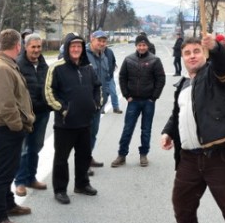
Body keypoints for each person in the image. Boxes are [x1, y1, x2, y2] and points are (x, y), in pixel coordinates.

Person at [160, 34, 225, 223]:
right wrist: (168, 132)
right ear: (182, 57)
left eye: (196, 51)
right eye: (187, 53)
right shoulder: (183, 84)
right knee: (182, 206)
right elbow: (179, 114)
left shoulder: (213, 74)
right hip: (189, 160)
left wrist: (216, 48)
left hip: (219, 157)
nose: (192, 56)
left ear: (204, 54)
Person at [0, 29, 35, 223]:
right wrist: (18, 126)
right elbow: (6, 105)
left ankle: (8, 205)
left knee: (8, 170)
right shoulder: (2, 68)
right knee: (3, 174)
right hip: (5, 129)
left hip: (8, 128)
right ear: (18, 46)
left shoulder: (6, 64)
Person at [45, 33, 100, 204]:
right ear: (67, 48)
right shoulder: (57, 68)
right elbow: (49, 92)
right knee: (61, 159)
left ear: (83, 48)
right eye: (73, 46)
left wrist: (96, 104)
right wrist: (63, 109)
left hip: (85, 122)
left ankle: (82, 184)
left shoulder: (88, 67)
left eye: (79, 46)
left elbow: (97, 87)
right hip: (65, 124)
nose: (76, 49)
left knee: (84, 156)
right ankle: (60, 190)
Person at [112, 34, 166, 168]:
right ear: (136, 46)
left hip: (148, 101)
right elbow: (122, 77)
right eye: (139, 45)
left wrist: (154, 97)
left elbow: (161, 79)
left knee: (146, 129)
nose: (142, 47)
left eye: (144, 45)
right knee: (127, 129)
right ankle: (122, 155)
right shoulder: (128, 59)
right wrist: (126, 95)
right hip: (133, 101)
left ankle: (143, 154)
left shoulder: (155, 60)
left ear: (147, 46)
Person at [14, 33, 51, 197]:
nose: (36, 50)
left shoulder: (44, 65)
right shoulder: (18, 64)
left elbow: (50, 86)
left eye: (39, 47)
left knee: (36, 147)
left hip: (42, 113)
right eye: (33, 47)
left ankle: (31, 178)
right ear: (25, 47)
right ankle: (20, 182)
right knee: (22, 149)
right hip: (24, 115)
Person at [85, 29, 116, 169]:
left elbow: (107, 77)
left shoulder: (104, 56)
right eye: (99, 40)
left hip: (99, 103)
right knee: (84, 135)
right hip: (85, 103)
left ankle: (88, 157)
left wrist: (107, 94)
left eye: (104, 41)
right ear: (92, 39)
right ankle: (83, 163)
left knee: (93, 133)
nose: (102, 43)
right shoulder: (83, 55)